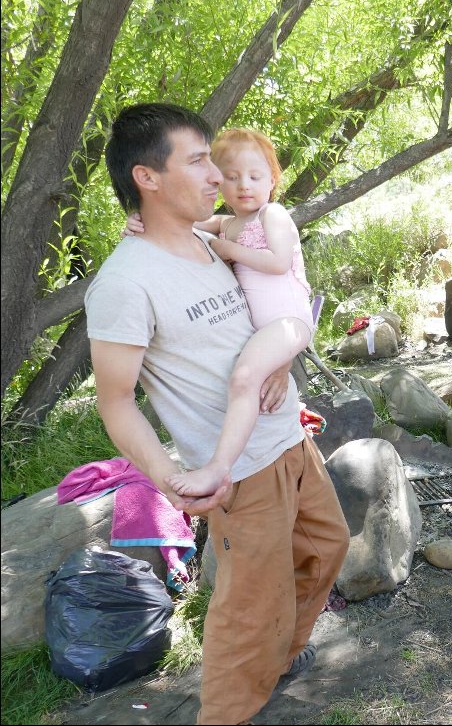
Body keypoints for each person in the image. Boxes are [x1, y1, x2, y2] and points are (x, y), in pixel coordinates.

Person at [86, 103, 349, 724]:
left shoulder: (215, 244)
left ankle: (281, 657)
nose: (216, 176)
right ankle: (227, 711)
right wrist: (170, 480)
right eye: (198, 161)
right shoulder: (126, 281)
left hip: (290, 441)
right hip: (238, 472)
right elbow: (115, 401)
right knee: (247, 611)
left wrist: (281, 358)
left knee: (327, 549)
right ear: (147, 178)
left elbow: (264, 310)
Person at [127, 127, 314, 498]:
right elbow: (181, 223)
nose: (244, 185)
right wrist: (139, 222)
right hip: (267, 330)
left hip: (288, 320)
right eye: (232, 177)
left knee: (243, 378)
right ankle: (225, 461)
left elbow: (278, 262)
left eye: (255, 177)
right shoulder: (228, 223)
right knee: (247, 378)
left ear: (272, 180)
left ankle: (219, 465)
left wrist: (231, 252)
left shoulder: (271, 214)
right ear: (218, 181)